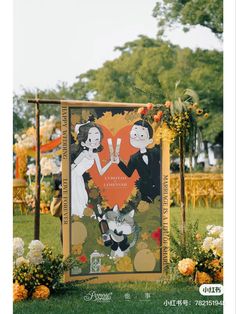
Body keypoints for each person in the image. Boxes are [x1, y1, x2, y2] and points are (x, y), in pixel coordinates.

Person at [71, 118, 112, 218]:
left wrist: (110, 162)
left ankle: (81, 216)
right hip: (73, 176)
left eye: (97, 139)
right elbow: (73, 165)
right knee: (77, 197)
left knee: (82, 198)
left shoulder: (95, 155)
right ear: (84, 142)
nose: (93, 142)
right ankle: (76, 216)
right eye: (90, 139)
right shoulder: (84, 153)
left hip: (78, 178)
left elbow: (101, 171)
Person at [116, 120, 161, 203]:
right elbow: (128, 173)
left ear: (150, 140)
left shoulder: (156, 152)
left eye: (142, 135)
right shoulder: (134, 158)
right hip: (145, 191)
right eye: (134, 135)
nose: (137, 138)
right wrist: (118, 162)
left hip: (160, 187)